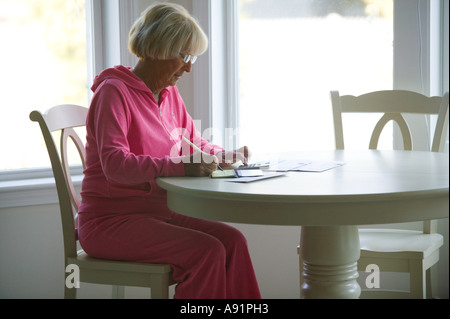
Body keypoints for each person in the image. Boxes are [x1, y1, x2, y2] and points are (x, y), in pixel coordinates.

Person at [78, 2, 261, 299]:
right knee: (207, 251)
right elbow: (115, 165)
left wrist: (223, 154)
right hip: (109, 222)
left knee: (233, 241)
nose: (189, 67)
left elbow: (193, 142)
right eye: (184, 56)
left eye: (193, 58)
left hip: (159, 214)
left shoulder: (168, 94)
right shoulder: (113, 92)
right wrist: (183, 166)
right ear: (156, 48)